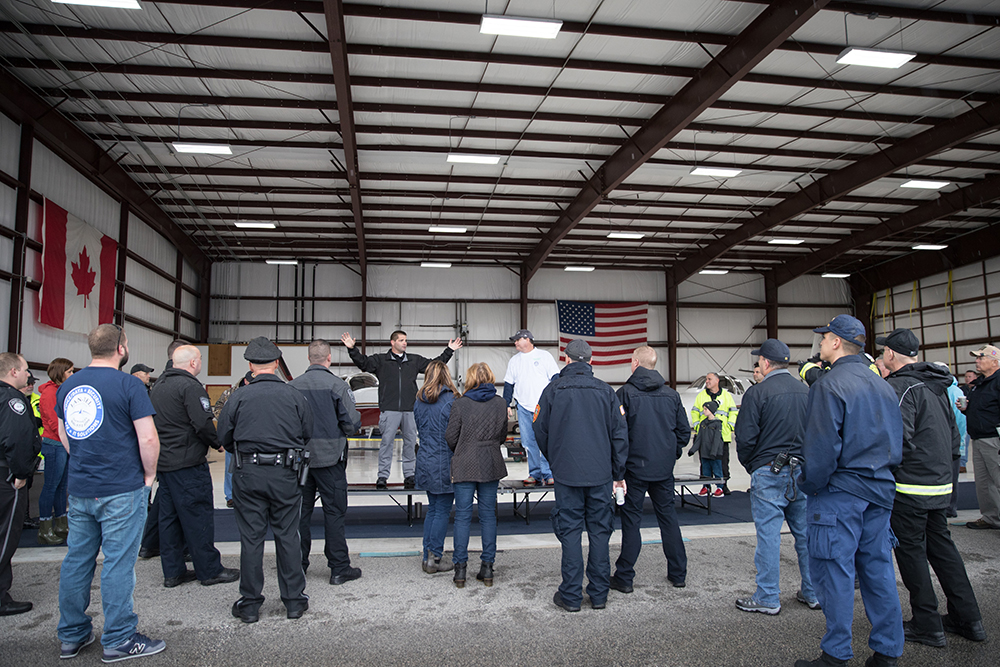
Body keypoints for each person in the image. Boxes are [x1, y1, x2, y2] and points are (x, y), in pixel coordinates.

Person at [795, 315, 904, 667]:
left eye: (824, 337)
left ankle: (836, 654)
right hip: (880, 490)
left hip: (840, 492)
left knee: (834, 571)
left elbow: (822, 449)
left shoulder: (829, 385)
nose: (821, 344)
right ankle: (888, 651)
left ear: (837, 342)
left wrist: (808, 483)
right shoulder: (884, 387)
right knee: (878, 570)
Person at [55, 324, 165, 661]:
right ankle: (119, 638)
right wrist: (148, 475)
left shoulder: (69, 385)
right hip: (121, 487)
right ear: (121, 348)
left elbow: (65, 434)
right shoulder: (130, 385)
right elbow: (147, 438)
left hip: (82, 487)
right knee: (118, 563)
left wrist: (86, 461)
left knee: (77, 560)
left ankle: (72, 634)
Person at [880, 329, 986, 648]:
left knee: (911, 552)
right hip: (940, 484)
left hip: (911, 486)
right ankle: (968, 619)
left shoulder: (900, 386)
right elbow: (954, 434)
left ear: (890, 355)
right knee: (943, 550)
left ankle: (927, 623)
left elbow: (895, 438)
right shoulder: (937, 385)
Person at [217, 337, 312, 623]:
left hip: (248, 474)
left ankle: (249, 604)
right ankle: (294, 601)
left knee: (252, 538)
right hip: (285, 474)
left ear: (250, 365)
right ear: (276, 364)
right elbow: (307, 433)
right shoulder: (294, 395)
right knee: (287, 535)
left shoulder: (238, 397)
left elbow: (223, 437)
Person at [534, 339, 628, 612]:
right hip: (600, 475)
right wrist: (617, 472)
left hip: (567, 475)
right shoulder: (606, 392)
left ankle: (571, 596)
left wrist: (557, 459)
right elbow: (620, 434)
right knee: (600, 533)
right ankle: (599, 595)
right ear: (590, 360)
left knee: (571, 532)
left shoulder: (552, 390)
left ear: (567, 359)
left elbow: (539, 430)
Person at [734, 338, 819, 615]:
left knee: (769, 536)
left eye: (759, 360)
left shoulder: (757, 393)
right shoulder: (807, 391)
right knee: (805, 535)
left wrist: (753, 465)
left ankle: (769, 595)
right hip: (802, 471)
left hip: (769, 471)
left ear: (766, 363)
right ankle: (813, 591)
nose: (757, 363)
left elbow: (745, 438)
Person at [150, 345, 239, 589]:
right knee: (198, 515)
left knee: (168, 519)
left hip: (165, 463)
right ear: (192, 363)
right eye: (199, 359)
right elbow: (202, 423)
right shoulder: (190, 387)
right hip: (188, 463)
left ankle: (173, 571)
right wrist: (218, 443)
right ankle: (209, 569)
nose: (200, 363)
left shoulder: (158, 386)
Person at [611, 346, 690, 593]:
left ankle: (625, 577)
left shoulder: (624, 394)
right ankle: (678, 574)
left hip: (634, 471)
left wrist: (618, 472)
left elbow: (618, 435)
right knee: (668, 519)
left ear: (635, 363)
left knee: (631, 522)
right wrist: (669, 454)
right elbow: (684, 433)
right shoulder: (672, 395)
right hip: (663, 471)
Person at [341, 330, 462, 489]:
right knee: (386, 444)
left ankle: (410, 475)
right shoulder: (380, 360)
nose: (405, 343)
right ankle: (383, 476)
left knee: (410, 443)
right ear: (392, 342)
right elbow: (363, 363)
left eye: (405, 340)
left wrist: (450, 350)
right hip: (389, 409)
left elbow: (434, 365)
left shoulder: (413, 360)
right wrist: (352, 349)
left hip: (410, 409)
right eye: (401, 340)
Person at [289, 340, 363, 586]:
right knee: (334, 513)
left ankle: (298, 565)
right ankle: (339, 568)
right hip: (330, 459)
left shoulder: (292, 387)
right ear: (328, 358)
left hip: (300, 461)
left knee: (299, 514)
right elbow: (352, 423)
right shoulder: (337, 386)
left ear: (309, 358)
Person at [445, 362, 507, 588]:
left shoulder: (461, 404)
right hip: (491, 461)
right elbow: (502, 434)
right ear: (490, 377)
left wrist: (463, 448)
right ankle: (487, 567)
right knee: (488, 516)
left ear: (470, 379)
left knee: (462, 516)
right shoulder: (501, 403)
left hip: (465, 462)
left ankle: (460, 570)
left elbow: (450, 436)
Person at [0, 352, 42, 616]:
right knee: (6, 536)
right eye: (26, 370)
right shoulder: (13, 399)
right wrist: (22, 473)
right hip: (7, 476)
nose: (29, 375)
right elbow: (17, 439)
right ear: (14, 371)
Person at [139, 340, 186, 559]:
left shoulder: (161, 383)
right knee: (177, 502)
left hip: (164, 449)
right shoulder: (177, 381)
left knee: (163, 499)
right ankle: (178, 550)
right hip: (176, 451)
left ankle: (150, 543)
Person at [413, 361, 459, 574]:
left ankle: (427, 555)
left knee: (433, 508)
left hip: (425, 459)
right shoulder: (452, 400)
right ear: (446, 375)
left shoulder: (419, 400)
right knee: (441, 510)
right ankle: (435, 557)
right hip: (444, 460)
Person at [502, 329, 559, 486]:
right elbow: (509, 384)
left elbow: (555, 378)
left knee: (546, 439)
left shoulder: (545, 356)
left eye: (517, 340)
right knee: (528, 441)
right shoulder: (514, 361)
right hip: (523, 407)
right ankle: (534, 473)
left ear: (527, 339)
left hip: (543, 407)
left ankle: (548, 473)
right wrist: (506, 404)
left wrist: (556, 400)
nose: (515, 342)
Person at [960, 344, 1000, 530]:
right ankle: (992, 517)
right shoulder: (979, 384)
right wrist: (968, 410)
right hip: (979, 438)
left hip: (994, 439)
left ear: (995, 361)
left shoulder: (998, 381)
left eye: (981, 358)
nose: (977, 361)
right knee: (984, 483)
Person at [35, 358, 74, 545]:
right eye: (70, 372)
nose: (72, 375)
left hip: (62, 444)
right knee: (51, 486)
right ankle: (44, 526)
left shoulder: (60, 391)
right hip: (54, 444)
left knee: (61, 486)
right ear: (61, 373)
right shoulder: (50, 393)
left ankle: (61, 524)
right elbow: (53, 421)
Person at [690, 372, 737, 495]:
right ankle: (706, 485)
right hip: (705, 435)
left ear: (717, 380)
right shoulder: (701, 396)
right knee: (705, 462)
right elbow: (694, 411)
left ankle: (723, 485)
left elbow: (733, 411)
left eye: (709, 379)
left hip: (722, 436)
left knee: (722, 462)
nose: (707, 381)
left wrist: (730, 426)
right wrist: (696, 425)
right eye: (706, 379)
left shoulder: (727, 396)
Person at [933, 362, 968, 518]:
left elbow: (960, 421)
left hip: (951, 443)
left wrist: (957, 444)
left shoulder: (954, 391)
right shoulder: (938, 390)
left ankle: (949, 509)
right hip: (942, 443)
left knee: (951, 477)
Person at [689, 400, 725, 494]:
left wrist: (713, 452)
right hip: (705, 452)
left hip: (715, 453)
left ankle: (720, 487)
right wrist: (693, 450)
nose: (703, 411)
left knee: (717, 470)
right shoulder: (703, 423)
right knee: (705, 471)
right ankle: (706, 486)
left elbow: (717, 439)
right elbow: (699, 438)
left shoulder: (717, 424)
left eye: (706, 409)